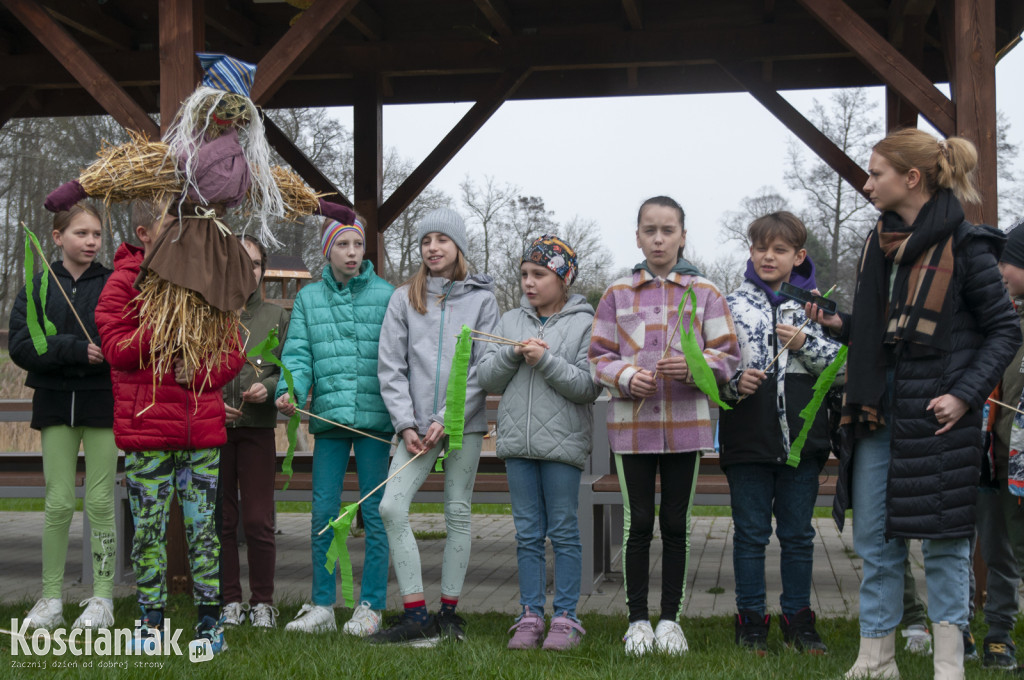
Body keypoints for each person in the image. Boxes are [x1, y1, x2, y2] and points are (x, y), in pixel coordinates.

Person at [808, 129, 1021, 680]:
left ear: (911, 178)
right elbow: (888, 335)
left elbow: (1003, 331)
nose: (866, 182)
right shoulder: (880, 245)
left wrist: (965, 395)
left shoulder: (969, 246)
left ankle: (948, 666)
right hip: (878, 412)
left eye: (876, 172)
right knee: (877, 542)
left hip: (941, 419)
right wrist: (843, 325)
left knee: (947, 545)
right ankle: (875, 661)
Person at [589, 196, 740, 656]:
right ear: (637, 236)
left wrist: (696, 367)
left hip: (686, 427)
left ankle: (671, 619)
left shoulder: (706, 293)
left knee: (676, 523)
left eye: (668, 230)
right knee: (638, 524)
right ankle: (637, 620)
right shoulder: (617, 293)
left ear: (682, 236)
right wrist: (627, 376)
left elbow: (728, 354)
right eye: (650, 230)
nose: (659, 238)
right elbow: (598, 356)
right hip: (631, 429)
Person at [93, 199, 245, 655]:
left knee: (205, 531)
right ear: (144, 233)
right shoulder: (123, 283)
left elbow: (233, 347)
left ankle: (208, 621)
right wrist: (158, 331)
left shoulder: (207, 275)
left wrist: (198, 372)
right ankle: (150, 621)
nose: (184, 233)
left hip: (200, 431)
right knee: (148, 532)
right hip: (147, 434)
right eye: (171, 224)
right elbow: (115, 348)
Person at [371, 208, 499, 645]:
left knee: (457, 512)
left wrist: (448, 418)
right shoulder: (404, 297)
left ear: (458, 246)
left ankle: (448, 614)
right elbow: (391, 365)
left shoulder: (483, 300)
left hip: (463, 426)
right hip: (413, 429)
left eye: (442, 239)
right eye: (427, 240)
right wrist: (406, 423)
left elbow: (484, 369)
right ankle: (415, 615)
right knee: (391, 507)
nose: (433, 247)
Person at [719, 211, 840, 655]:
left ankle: (798, 619)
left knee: (798, 534)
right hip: (748, 438)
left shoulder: (816, 307)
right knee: (750, 534)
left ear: (799, 255)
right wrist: (733, 384)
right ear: (750, 251)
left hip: (803, 443)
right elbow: (712, 367)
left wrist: (806, 346)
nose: (768, 256)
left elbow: (842, 371)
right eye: (760, 248)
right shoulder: (729, 304)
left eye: (780, 249)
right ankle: (751, 620)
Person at [477, 234, 601, 651]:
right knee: (527, 533)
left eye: (540, 274)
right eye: (525, 274)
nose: (529, 282)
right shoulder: (509, 322)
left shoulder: (586, 323)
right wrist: (513, 354)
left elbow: (588, 386)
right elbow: (487, 378)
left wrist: (545, 360)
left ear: (563, 278)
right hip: (516, 444)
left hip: (563, 446)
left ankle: (566, 617)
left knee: (564, 531)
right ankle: (529, 615)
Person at [275, 213, 395, 636]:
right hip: (327, 423)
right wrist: (289, 390)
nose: (351, 253)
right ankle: (322, 604)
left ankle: (371, 605)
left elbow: (398, 359)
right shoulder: (309, 299)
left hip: (374, 424)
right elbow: (298, 354)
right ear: (328, 251)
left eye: (357, 246)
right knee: (323, 511)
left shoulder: (387, 296)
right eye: (342, 245)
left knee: (376, 514)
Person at [8, 201, 116, 631]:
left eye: (96, 235)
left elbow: (127, 341)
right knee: (56, 503)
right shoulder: (37, 288)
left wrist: (107, 353)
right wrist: (72, 350)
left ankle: (102, 599)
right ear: (57, 238)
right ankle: (51, 599)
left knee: (101, 501)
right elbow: (20, 344)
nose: (90, 241)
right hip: (54, 404)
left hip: (102, 403)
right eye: (81, 233)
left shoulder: (114, 285)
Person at [220, 235, 289, 629]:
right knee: (222, 519)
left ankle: (262, 601)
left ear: (264, 270)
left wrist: (272, 387)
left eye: (256, 264)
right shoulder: (210, 312)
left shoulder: (277, 316)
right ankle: (230, 599)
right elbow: (191, 369)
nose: (249, 271)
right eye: (240, 262)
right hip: (216, 430)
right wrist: (211, 400)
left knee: (259, 519)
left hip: (258, 430)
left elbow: (289, 367)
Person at [971, 219, 1024, 669]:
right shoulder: (997, 317)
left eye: (1010, 261)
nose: (1001, 269)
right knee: (995, 547)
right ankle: (995, 635)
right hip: (994, 459)